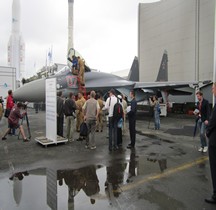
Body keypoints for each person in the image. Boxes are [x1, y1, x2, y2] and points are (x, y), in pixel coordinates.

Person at [205, 83, 216, 204]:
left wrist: (208, 132)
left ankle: (215, 195)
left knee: (214, 167)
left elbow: (212, 121)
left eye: (213, 88)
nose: (212, 90)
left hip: (214, 141)